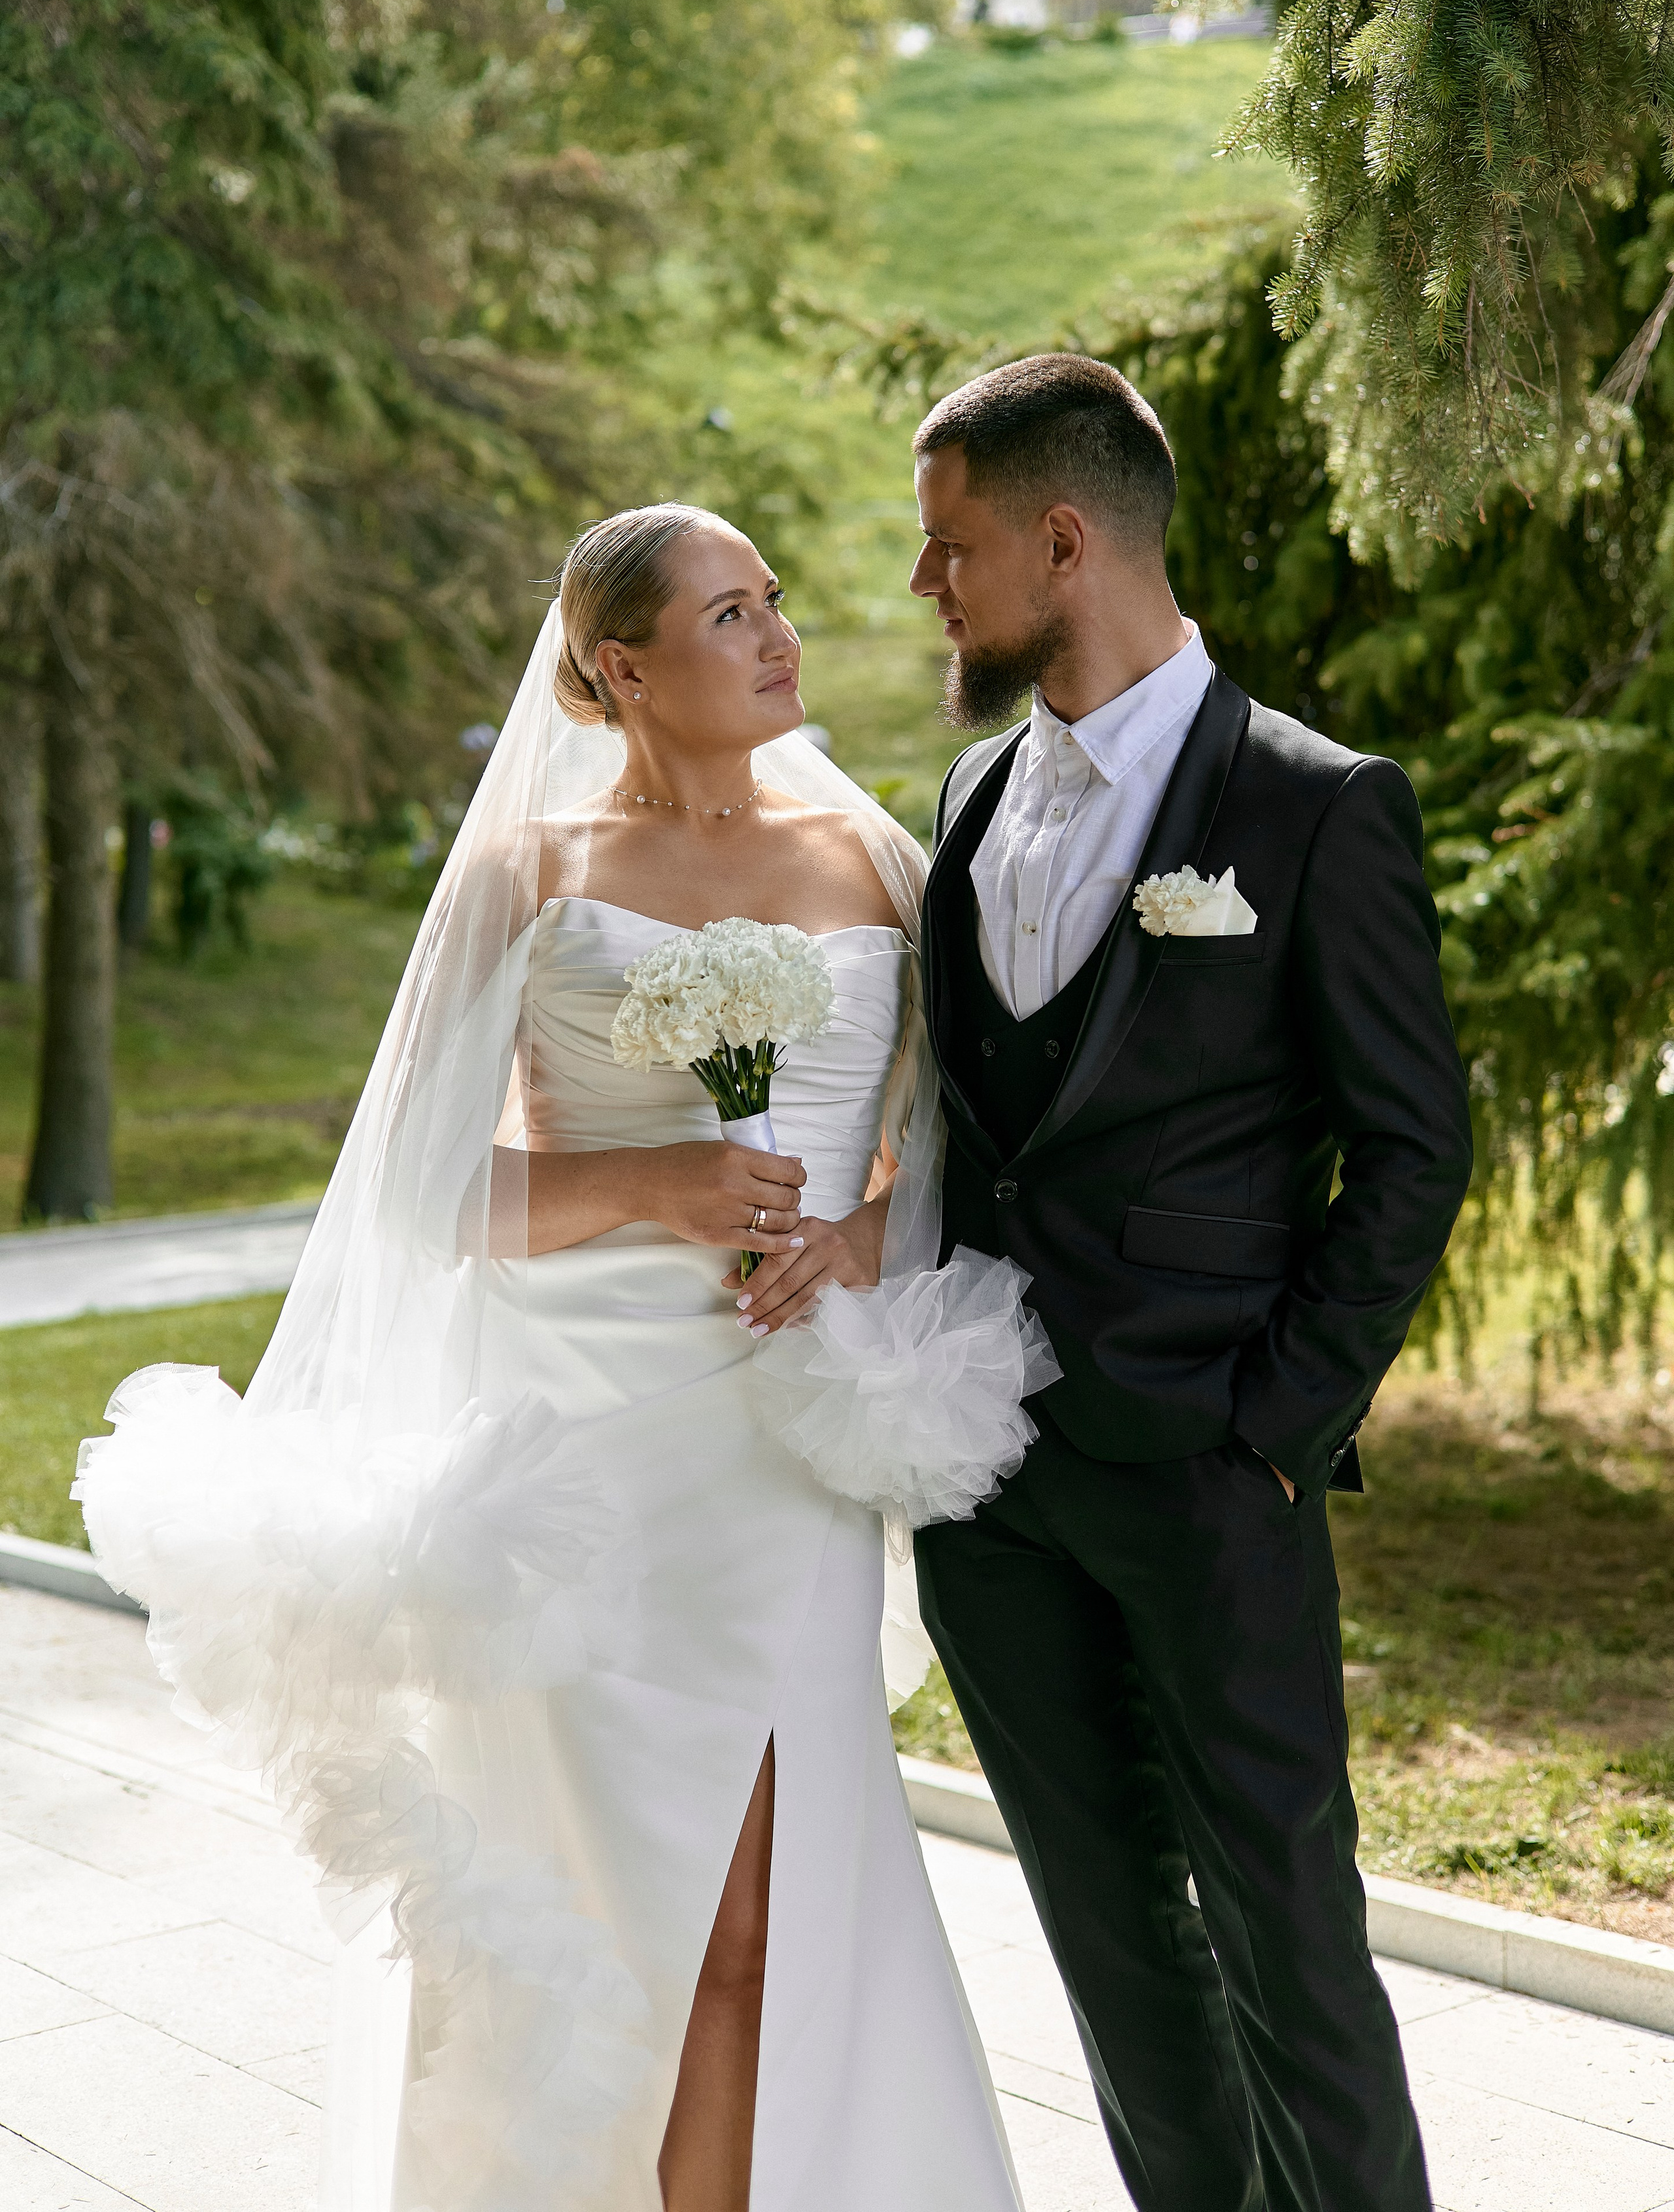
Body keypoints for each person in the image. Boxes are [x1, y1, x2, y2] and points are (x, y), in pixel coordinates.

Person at [78, 504, 1036, 2212]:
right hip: (577, 1464)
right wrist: (655, 1181)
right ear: (619, 666)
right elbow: (424, 1194)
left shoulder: (880, 866)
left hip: (779, 1444)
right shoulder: (533, 876)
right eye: (729, 614)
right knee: (586, 1901)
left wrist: (850, 1241)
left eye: (776, 603)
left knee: (760, 1912)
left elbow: (960, 1156)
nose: (780, 637)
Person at [906, 354, 1475, 2212]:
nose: (929, 587)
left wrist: (1276, 1429)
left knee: (1290, 1944)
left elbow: (1412, 1151)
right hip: (996, 1498)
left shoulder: (1318, 807)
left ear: (1064, 540)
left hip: (1213, 1473)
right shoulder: (978, 799)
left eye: (953, 546)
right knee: (1113, 1952)